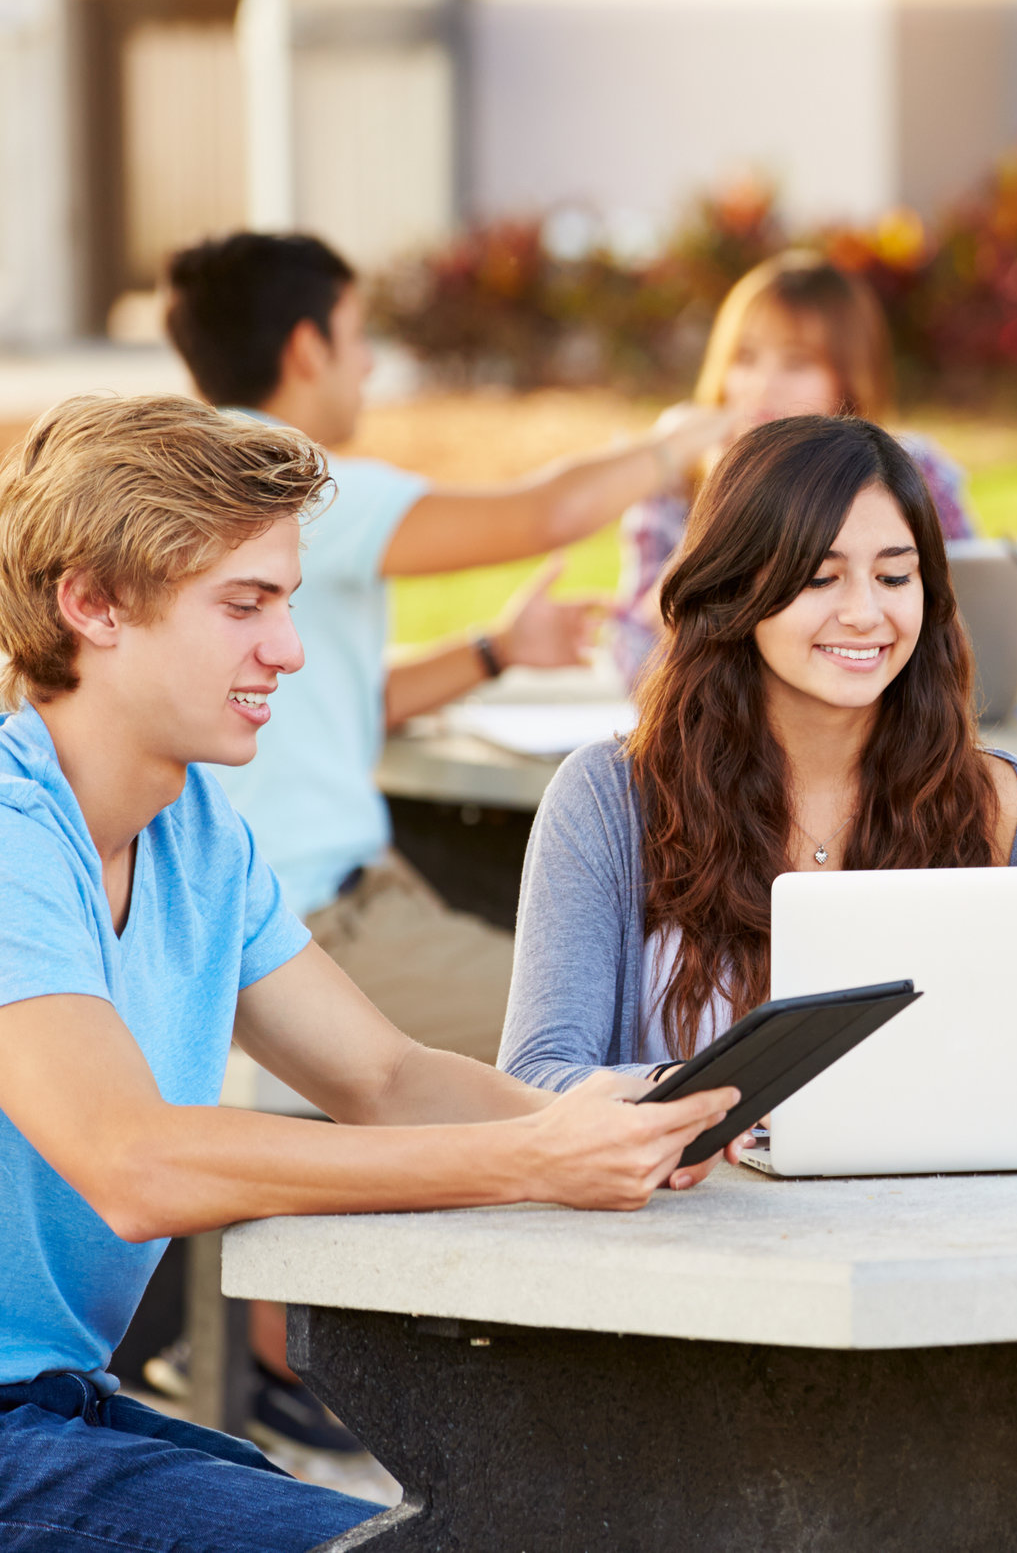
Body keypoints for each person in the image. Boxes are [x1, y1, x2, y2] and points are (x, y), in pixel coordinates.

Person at [0, 395, 744, 1553]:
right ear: (91, 603)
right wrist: (530, 1159)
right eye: (242, 604)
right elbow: (134, 1162)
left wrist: (619, 1121)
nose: (288, 648)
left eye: (287, 601)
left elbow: (385, 1078)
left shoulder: (196, 831)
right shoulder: (12, 834)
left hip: (54, 1410)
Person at [164, 231, 735, 1067]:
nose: (368, 364)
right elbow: (543, 514)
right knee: (620, 1021)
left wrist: (495, 649)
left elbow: (333, 699)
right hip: (312, 916)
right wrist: (678, 443)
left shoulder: (196, 475)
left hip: (336, 889)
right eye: (357, 336)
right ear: (307, 347)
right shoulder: (283, 482)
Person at [499, 416, 1017, 1086]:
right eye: (821, 578)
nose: (865, 613)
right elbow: (535, 1075)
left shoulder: (1000, 802)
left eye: (894, 577)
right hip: (699, 1160)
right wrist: (698, 1100)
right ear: (734, 587)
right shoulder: (608, 798)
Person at [610, 252, 979, 686]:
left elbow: (979, 618)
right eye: (745, 358)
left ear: (850, 377)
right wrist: (724, 508)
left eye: (797, 362)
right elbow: (634, 658)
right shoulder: (682, 479)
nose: (762, 386)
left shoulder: (914, 472)